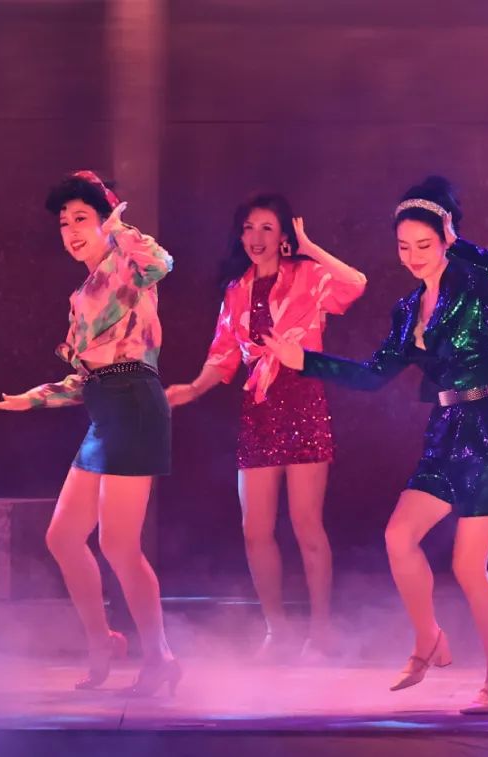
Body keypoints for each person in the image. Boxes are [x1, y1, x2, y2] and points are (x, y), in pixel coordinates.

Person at [262, 176, 488, 714]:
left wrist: (457, 242)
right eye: (404, 246)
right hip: (445, 431)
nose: (413, 256)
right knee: (398, 536)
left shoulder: (472, 283)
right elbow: (372, 375)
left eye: (424, 244)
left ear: (446, 238)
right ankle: (429, 637)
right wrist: (305, 361)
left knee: (468, 567)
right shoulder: (408, 309)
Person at [0, 171, 180, 696]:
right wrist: (34, 398)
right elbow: (85, 376)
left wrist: (120, 229)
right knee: (63, 537)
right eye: (64, 223)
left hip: (134, 405)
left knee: (119, 544)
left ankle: (160, 657)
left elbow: (162, 263)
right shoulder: (81, 295)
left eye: (82, 219)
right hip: (105, 410)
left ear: (104, 222)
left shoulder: (128, 265)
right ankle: (103, 642)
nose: (71, 231)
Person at [166, 194, 366, 660]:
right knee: (254, 529)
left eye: (267, 229)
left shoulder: (308, 275)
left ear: (283, 237)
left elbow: (355, 284)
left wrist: (309, 247)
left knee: (306, 525)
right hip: (258, 410)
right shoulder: (236, 290)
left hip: (303, 401)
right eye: (249, 228)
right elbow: (223, 354)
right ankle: (277, 630)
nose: (256, 238)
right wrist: (192, 389)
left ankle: (321, 631)